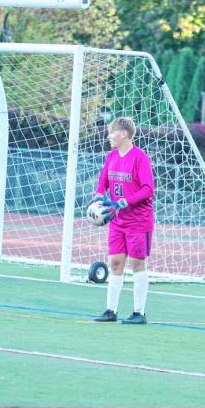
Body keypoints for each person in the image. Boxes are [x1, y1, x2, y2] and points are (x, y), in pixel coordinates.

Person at [91, 117, 155, 325]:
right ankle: (111, 310)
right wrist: (99, 196)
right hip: (117, 221)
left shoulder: (140, 158)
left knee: (138, 264)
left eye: (112, 132)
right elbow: (103, 182)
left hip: (139, 221)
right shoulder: (111, 156)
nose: (109, 136)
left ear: (124, 134)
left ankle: (139, 313)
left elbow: (148, 189)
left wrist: (124, 202)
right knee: (116, 263)